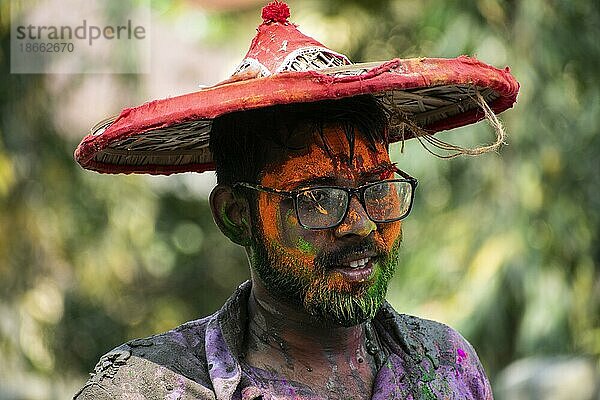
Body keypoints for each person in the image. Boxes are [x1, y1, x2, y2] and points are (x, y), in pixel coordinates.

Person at [73, 2, 519, 399]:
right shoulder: (147, 387)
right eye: (319, 198)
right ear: (235, 216)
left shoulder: (445, 367)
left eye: (378, 188)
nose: (361, 225)